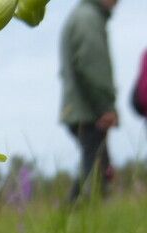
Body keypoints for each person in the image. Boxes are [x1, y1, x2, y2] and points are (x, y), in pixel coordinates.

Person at [60, 0, 119, 202]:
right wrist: (105, 107)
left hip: (81, 108)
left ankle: (70, 221)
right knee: (96, 171)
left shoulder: (84, 15)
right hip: (87, 110)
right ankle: (74, 217)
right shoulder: (88, 18)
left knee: (96, 166)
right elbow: (91, 65)